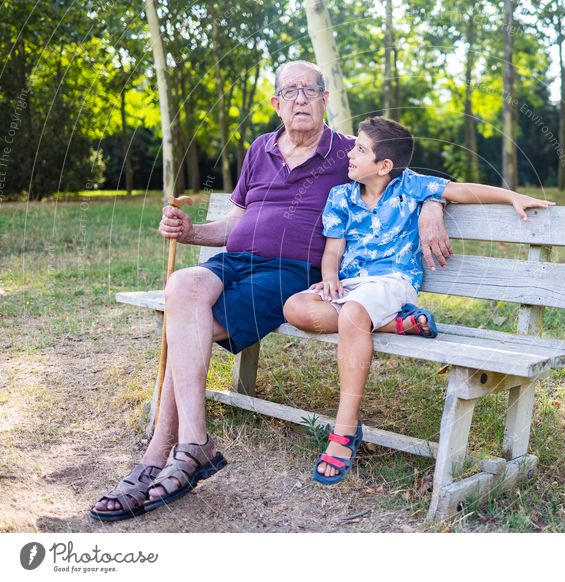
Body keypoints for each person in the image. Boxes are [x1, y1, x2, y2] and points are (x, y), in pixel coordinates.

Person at [90, 62, 453, 521]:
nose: (301, 99)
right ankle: (192, 444)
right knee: (182, 284)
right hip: (235, 261)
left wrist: (433, 205)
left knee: (187, 328)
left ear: (325, 100)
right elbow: (233, 224)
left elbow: (399, 171)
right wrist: (190, 231)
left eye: (310, 90)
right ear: (276, 103)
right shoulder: (260, 148)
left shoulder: (346, 153)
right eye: (290, 91)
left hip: (289, 273)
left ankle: (159, 452)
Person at [283, 116, 555, 484]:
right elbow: (333, 251)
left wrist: (510, 195)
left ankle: (344, 430)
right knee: (295, 307)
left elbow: (462, 191)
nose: (350, 152)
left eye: (360, 148)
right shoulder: (341, 196)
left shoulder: (411, 187)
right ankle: (393, 323)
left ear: (384, 166)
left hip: (393, 281)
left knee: (352, 319)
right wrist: (329, 278)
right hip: (352, 284)